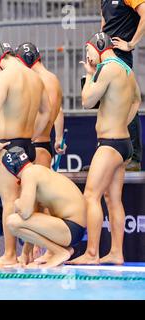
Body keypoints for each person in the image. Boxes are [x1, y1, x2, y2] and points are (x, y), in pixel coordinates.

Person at [67, 32, 141, 265]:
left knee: (91, 195)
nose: (88, 58)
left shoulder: (106, 68)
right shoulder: (127, 70)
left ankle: (91, 254)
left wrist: (89, 74)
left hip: (109, 144)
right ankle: (117, 253)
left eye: (88, 53)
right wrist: (122, 122)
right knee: (112, 199)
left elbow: (87, 101)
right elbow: (137, 100)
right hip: (123, 143)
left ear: (98, 46)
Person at [0, 40, 51, 265]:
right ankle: (29, 253)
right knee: (29, 201)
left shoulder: (2, 77)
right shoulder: (35, 77)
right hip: (27, 145)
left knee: (10, 202)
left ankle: (11, 254)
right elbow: (47, 112)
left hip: (6, 146)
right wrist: (33, 135)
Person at [0, 147, 87, 268]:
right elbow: (31, 220)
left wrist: (16, 202)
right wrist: (25, 253)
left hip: (70, 228)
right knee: (17, 220)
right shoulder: (37, 171)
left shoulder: (29, 174)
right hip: (73, 229)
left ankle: (60, 252)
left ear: (11, 170)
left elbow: (25, 213)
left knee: (12, 221)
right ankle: (60, 250)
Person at [101, 0, 145, 171]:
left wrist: (131, 44)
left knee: (126, 105)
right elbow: (104, 25)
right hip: (106, 55)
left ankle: (134, 158)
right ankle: (106, 157)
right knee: (107, 107)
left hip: (121, 55)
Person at [15, 42, 66, 167]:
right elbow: (57, 110)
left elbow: (46, 114)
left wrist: (30, 139)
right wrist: (59, 138)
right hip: (42, 144)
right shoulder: (52, 78)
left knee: (34, 186)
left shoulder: (39, 80)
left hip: (36, 146)